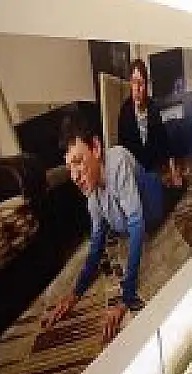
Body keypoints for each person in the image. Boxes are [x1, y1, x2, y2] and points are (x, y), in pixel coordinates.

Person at [42, 110, 166, 342]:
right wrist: (76, 293)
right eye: (69, 168)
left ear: (96, 148)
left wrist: (126, 298)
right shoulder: (91, 194)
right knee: (104, 232)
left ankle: (173, 179)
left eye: (78, 162)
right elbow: (96, 245)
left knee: (169, 189)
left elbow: (137, 225)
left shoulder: (116, 159)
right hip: (127, 218)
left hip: (155, 205)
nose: (74, 176)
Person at [118, 59, 182, 186]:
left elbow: (164, 142)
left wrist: (173, 172)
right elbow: (122, 150)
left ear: (146, 85)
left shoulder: (153, 108)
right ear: (130, 84)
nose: (137, 88)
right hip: (133, 174)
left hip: (153, 170)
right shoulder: (125, 111)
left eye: (141, 83)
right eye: (134, 82)